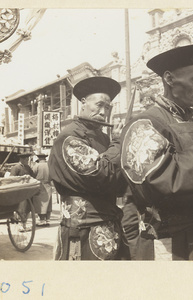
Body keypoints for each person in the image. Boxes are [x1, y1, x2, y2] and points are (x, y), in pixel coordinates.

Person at [120, 44, 193, 261]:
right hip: (172, 243)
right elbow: (155, 181)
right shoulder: (145, 123)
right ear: (169, 79)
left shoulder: (187, 120)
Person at [48, 76, 130, 260]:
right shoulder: (69, 136)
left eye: (107, 107)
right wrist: (117, 142)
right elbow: (100, 174)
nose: (103, 111)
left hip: (109, 223)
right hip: (84, 229)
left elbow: (118, 181)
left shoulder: (103, 137)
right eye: (99, 105)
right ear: (83, 102)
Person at [10, 153, 35, 231]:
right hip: (19, 191)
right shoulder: (16, 168)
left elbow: (33, 176)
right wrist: (21, 178)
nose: (27, 161)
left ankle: (24, 224)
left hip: (27, 191)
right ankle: (20, 225)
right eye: (26, 160)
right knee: (21, 208)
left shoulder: (27, 167)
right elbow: (12, 179)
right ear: (21, 159)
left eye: (28, 160)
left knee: (27, 208)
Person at [32, 153, 53, 227]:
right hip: (48, 184)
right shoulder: (49, 165)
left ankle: (41, 220)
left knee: (40, 203)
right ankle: (47, 220)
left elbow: (33, 174)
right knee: (48, 203)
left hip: (39, 185)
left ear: (39, 158)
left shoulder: (37, 165)